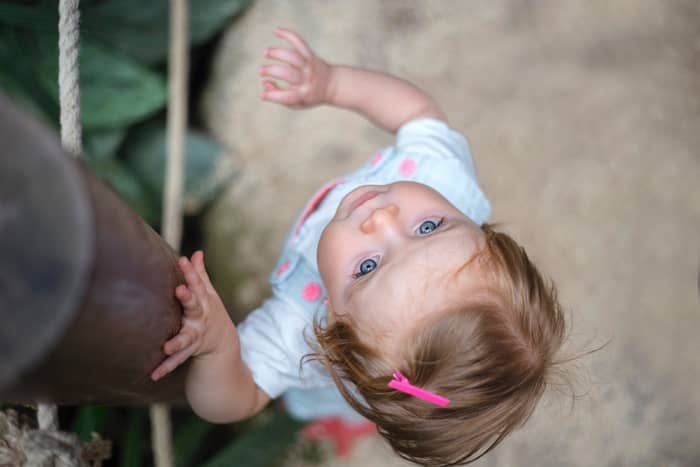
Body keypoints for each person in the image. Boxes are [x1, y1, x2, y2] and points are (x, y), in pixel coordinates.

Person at [150, 27, 567, 467]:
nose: (382, 219)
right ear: (482, 231)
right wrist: (332, 83)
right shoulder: (442, 178)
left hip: (339, 383)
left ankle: (345, 418)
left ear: (330, 324)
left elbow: (232, 402)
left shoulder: (298, 332)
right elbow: (417, 114)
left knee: (324, 401)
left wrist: (218, 346)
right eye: (428, 227)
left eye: (368, 266)